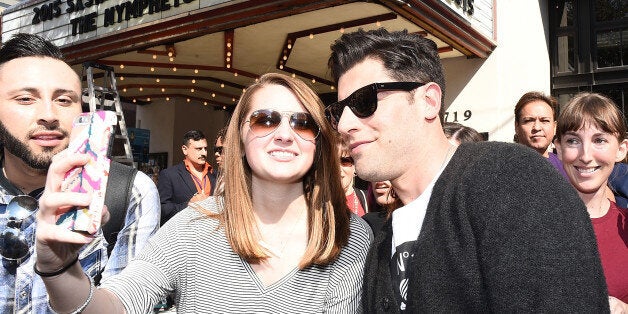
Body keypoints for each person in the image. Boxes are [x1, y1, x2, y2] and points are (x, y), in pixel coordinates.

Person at [34, 72, 372, 313]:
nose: (285, 133)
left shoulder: (350, 236)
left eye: (302, 123)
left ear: (317, 141)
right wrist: (58, 268)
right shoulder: (192, 228)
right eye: (265, 120)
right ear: (239, 139)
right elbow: (115, 307)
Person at [327, 28, 609, 312]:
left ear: (428, 101)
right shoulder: (381, 242)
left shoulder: (508, 179)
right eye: (338, 111)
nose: (343, 125)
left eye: (364, 101)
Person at [0, 33, 160, 313]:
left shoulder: (129, 192)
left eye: (64, 100)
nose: (49, 114)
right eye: (26, 99)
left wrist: (62, 269)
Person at [554, 92, 628, 312]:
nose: (585, 155)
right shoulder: (533, 226)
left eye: (600, 140)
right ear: (558, 148)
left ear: (621, 149)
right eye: (573, 140)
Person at [157, 130, 217, 225]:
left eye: (205, 148)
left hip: (212, 233)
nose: (204, 153)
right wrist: (189, 205)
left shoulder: (215, 175)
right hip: (184, 233)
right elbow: (162, 209)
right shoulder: (169, 175)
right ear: (185, 149)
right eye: (198, 149)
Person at [514, 91, 567, 177]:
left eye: (545, 120)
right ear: (517, 126)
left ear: (554, 127)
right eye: (529, 120)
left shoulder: (566, 167)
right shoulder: (503, 168)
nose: (537, 127)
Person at [338, 139, 368, 216]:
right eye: (332, 162)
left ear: (355, 166)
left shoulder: (369, 200)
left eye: (345, 161)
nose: (338, 169)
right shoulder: (313, 202)